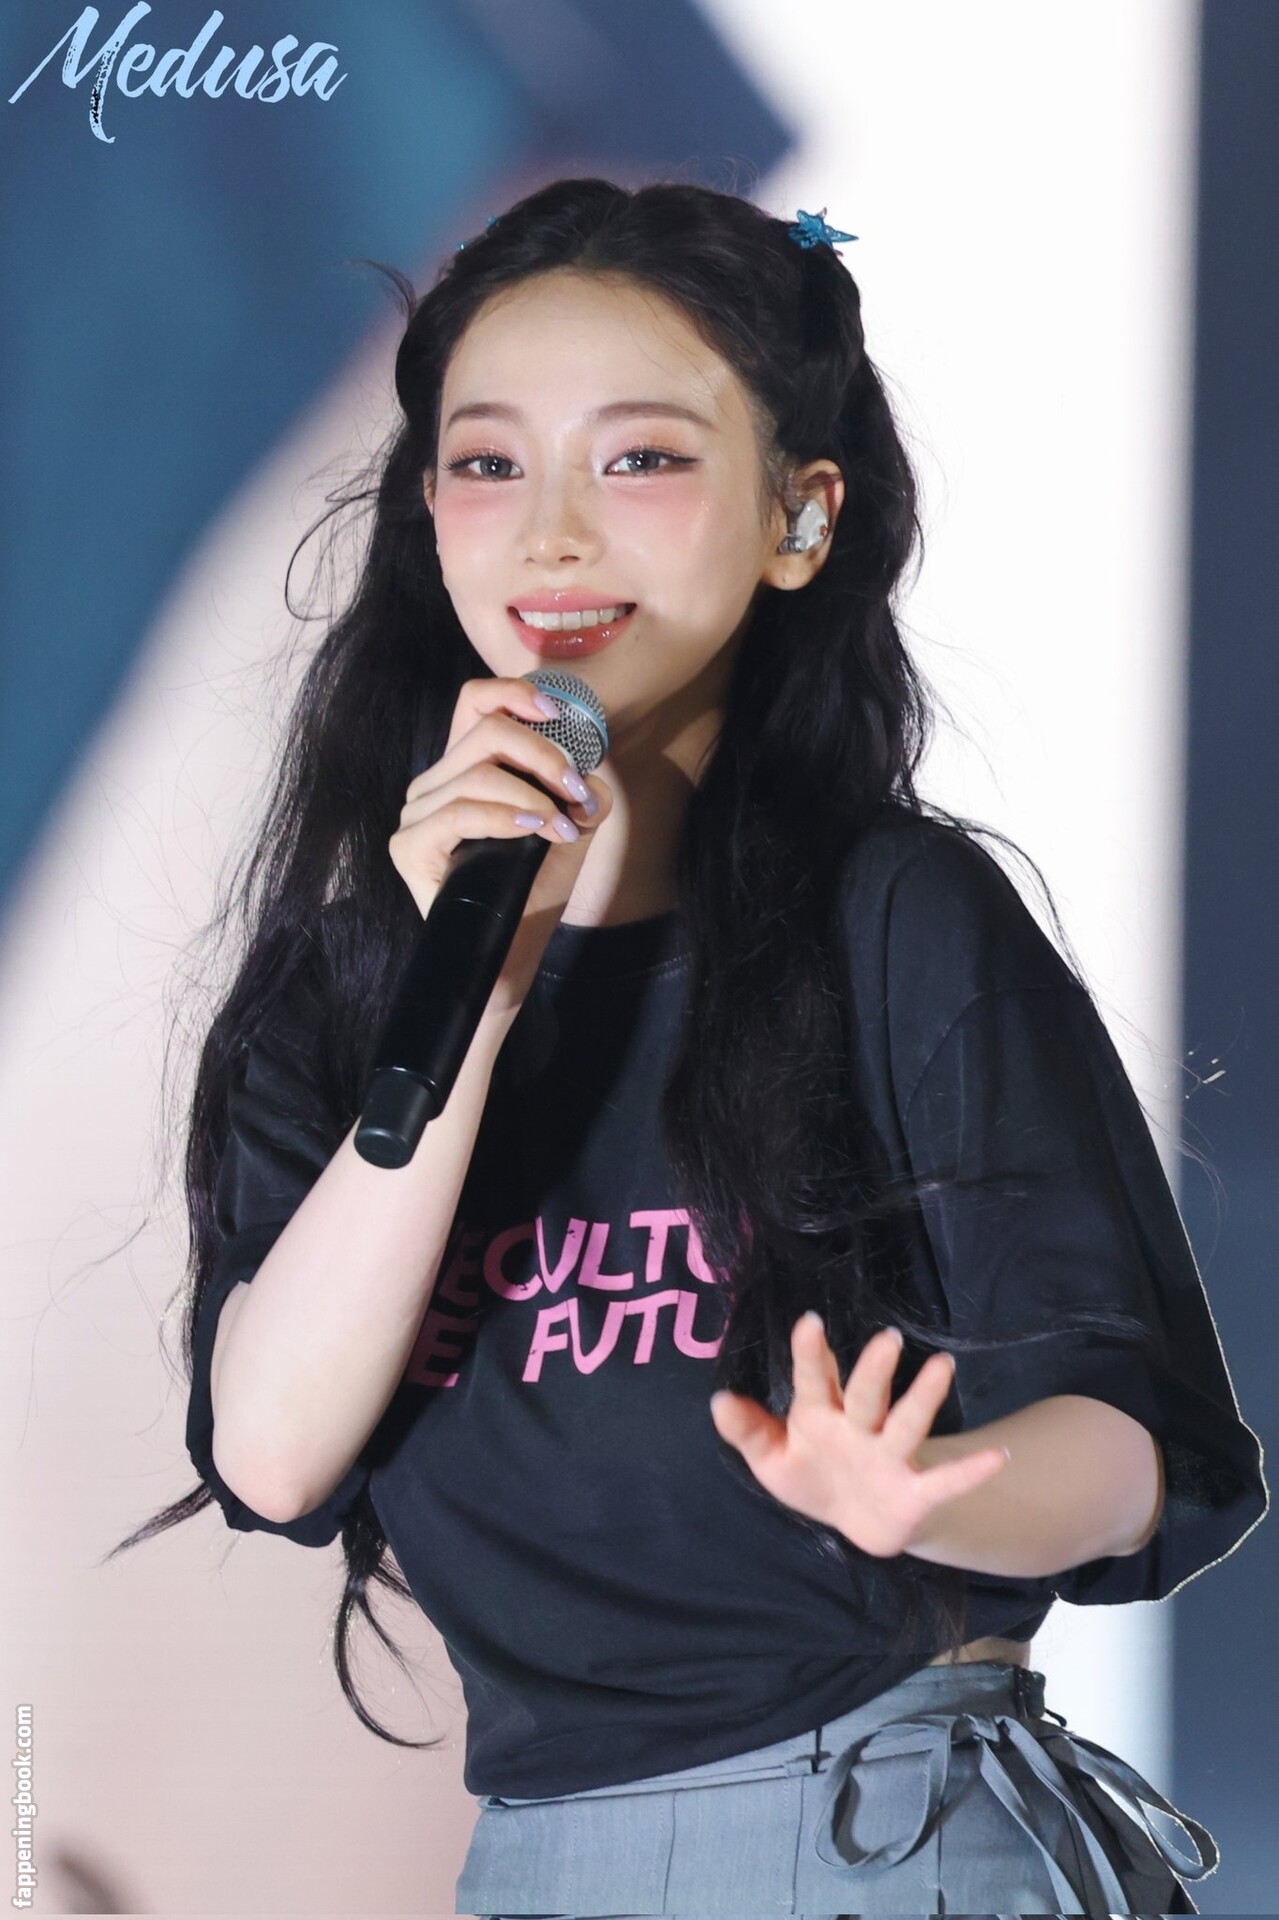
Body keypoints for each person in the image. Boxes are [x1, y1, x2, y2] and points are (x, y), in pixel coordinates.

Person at [109, 177, 1267, 1917]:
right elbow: (272, 1453)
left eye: (640, 458)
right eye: (489, 464)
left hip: (883, 1838)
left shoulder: (897, 916)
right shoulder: (348, 989)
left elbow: (1132, 1453)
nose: (554, 535)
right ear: (429, 513)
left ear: (800, 515)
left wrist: (927, 1493)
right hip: (535, 1859)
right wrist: (476, 995)